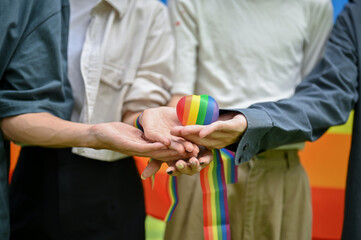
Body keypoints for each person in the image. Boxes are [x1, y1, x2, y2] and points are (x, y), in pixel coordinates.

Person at [6, 0, 198, 240]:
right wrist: (93, 133)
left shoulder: (148, 12)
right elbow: (15, 107)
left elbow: (139, 105)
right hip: (36, 173)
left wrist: (148, 123)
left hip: (110, 181)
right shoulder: (32, 6)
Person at [171, 0, 361, 238]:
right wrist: (176, 141)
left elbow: (316, 98)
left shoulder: (316, 5)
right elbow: (180, 94)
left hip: (282, 173)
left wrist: (251, 122)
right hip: (208, 169)